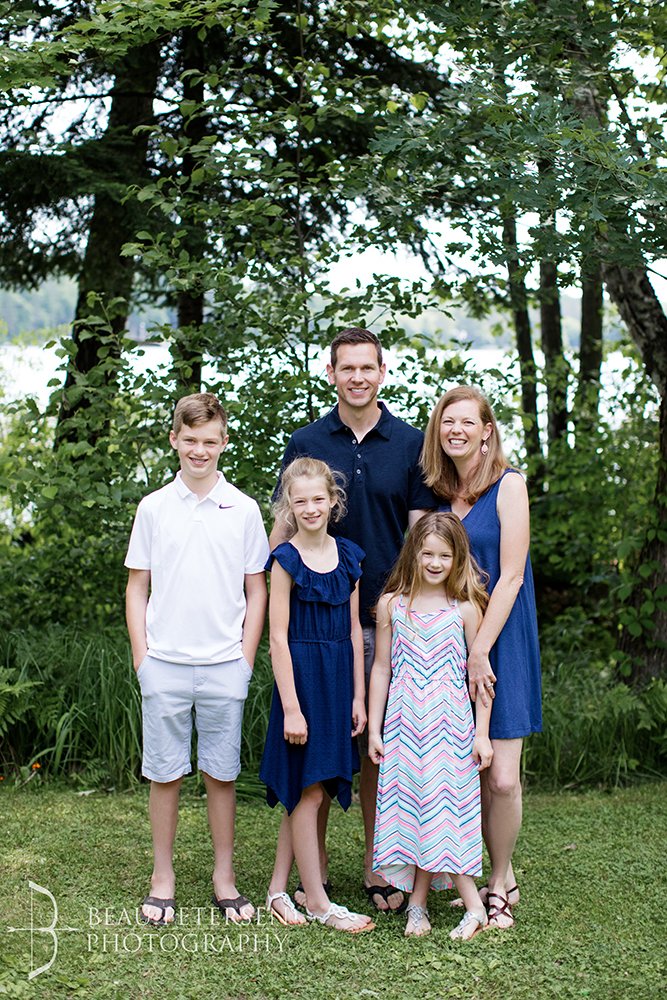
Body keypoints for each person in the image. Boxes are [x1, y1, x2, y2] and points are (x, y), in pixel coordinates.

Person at [270, 327, 436, 914]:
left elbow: (422, 536)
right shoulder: (307, 441)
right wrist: (269, 600)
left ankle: (376, 864)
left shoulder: (411, 444)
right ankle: (310, 874)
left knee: (373, 749)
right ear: (332, 373)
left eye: (368, 367)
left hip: (388, 620)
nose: (358, 377)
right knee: (316, 748)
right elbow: (284, 528)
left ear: (382, 372)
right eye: (348, 368)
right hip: (316, 631)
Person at [125, 392, 269, 927]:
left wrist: (245, 660)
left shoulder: (244, 510)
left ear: (224, 442)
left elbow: (257, 589)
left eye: (210, 441)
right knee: (164, 774)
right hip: (163, 662)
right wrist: (143, 658)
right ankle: (162, 877)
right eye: (190, 440)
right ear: (174, 440)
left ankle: (224, 878)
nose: (199, 451)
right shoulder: (154, 507)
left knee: (220, 774)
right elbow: (137, 587)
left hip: (224, 665)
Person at [421, 385, 543, 930]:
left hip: (503, 640)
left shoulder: (509, 486)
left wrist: (481, 648)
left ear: (487, 430)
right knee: (467, 767)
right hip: (451, 644)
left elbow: (511, 575)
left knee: (503, 778)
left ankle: (498, 882)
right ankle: (497, 876)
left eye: (468, 422)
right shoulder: (438, 495)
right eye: (448, 422)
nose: (457, 431)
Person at [260, 457, 374, 933]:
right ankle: (320, 904)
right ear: (289, 506)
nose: (310, 508)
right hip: (301, 684)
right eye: (300, 501)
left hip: (338, 682)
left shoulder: (349, 557)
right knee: (307, 792)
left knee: (312, 790)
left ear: (333, 501)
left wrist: (359, 698)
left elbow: (353, 631)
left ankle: (277, 891)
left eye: (318, 499)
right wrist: (291, 707)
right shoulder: (285, 560)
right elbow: (277, 638)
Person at [368, 512, 493, 941]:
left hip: (450, 727)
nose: (435, 563)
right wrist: (374, 729)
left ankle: (474, 907)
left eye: (445, 555)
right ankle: (417, 905)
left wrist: (481, 734)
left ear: (458, 558)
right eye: (427, 554)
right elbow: (381, 668)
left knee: (444, 812)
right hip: (404, 725)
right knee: (417, 810)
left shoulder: (465, 610)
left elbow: (481, 680)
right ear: (413, 554)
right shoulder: (392, 606)